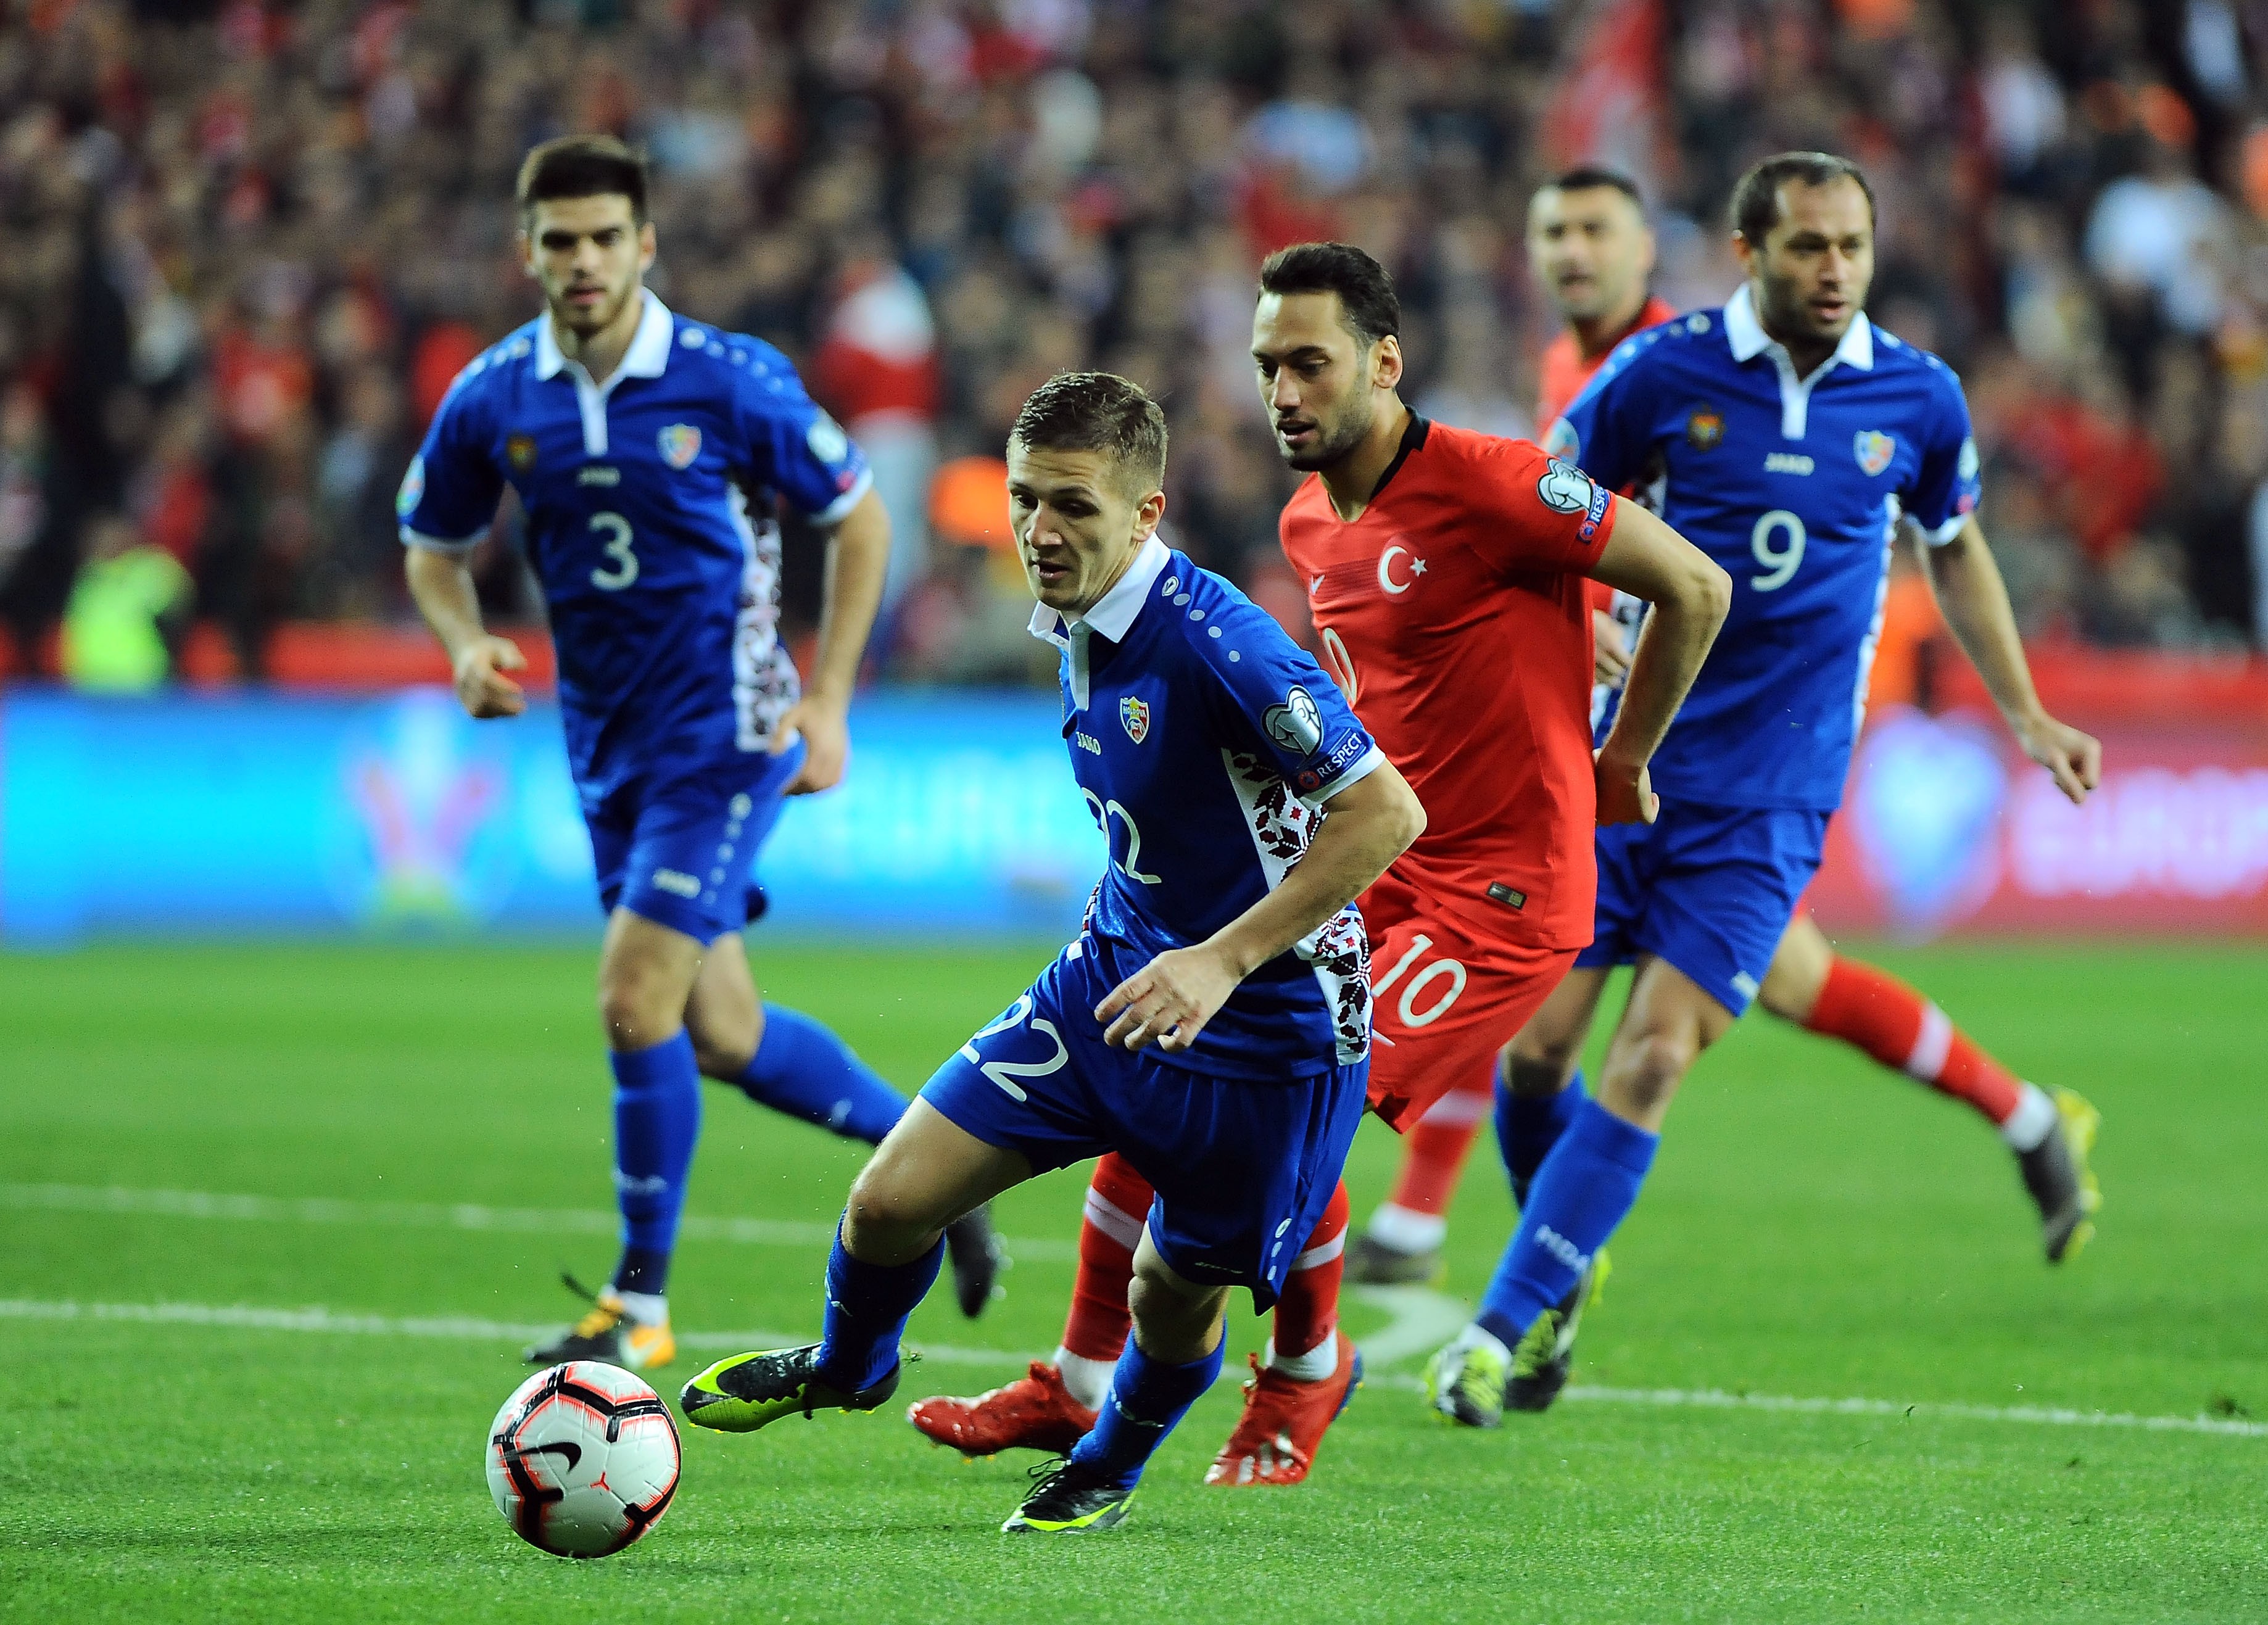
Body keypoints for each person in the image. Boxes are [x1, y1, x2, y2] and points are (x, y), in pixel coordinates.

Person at [903, 242, 1727, 1486]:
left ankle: (1303, 1372)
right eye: (1265, 367)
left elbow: (1693, 586)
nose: (1281, 392)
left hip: (1500, 896)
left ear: (1383, 364)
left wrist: (1623, 757)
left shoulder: (1500, 484)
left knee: (1287, 1106)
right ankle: (1072, 1387)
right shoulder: (1305, 519)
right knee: (1160, 1062)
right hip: (1381, 868)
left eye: (1308, 365)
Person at [677, 371, 1430, 1535]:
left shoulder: (1221, 642)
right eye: (1028, 499)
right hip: (1114, 983)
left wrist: (1221, 959)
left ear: (1146, 512)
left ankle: (1110, 1462)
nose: (1041, 529)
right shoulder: (1077, 621)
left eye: (1075, 505)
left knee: (1170, 1299)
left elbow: (1384, 814)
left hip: (1268, 1036)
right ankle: (848, 1366)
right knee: (887, 1203)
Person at [1422, 152, 2105, 1429]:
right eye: (1806, 247)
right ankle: (1563, 1270)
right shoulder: (1658, 377)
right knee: (1532, 1057)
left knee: (1653, 1054)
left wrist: (2021, 710)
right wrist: (1583, 624)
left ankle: (1497, 1329)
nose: (1833, 269)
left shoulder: (1916, 396)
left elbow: (1954, 553)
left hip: (1771, 796)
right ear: (1748, 252)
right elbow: (1534, 514)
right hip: (1621, 770)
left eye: (1851, 245)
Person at [397, 135, 998, 1374]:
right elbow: (430, 543)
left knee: (632, 996)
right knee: (719, 1031)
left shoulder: (731, 382)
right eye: (557, 241)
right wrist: (462, 642)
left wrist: (828, 702)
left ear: (644, 245)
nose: (580, 261)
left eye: (603, 237)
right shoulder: (498, 393)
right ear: (527, 251)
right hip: (602, 749)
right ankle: (948, 1168)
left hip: (727, 737)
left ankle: (637, 1301)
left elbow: (861, 516)